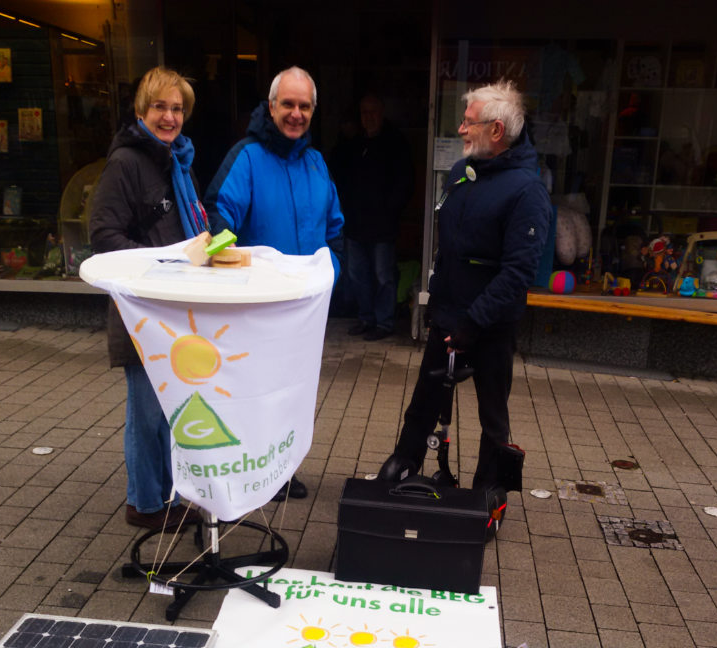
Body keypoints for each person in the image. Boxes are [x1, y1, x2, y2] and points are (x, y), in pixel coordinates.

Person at [379, 79, 551, 492]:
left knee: (492, 413)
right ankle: (405, 460)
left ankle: (489, 490)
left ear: (496, 130)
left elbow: (517, 273)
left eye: (468, 122)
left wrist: (474, 322)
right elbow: (450, 246)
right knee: (424, 401)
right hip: (448, 315)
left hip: (489, 325)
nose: (460, 129)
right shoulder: (462, 173)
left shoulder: (527, 191)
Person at [204, 66, 344, 501]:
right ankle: (251, 471)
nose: (296, 114)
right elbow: (217, 218)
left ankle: (282, 470)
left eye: (304, 106)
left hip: (302, 309)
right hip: (258, 306)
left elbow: (334, 229)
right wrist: (234, 273)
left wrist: (331, 273)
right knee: (256, 392)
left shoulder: (316, 162)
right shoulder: (247, 157)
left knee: (293, 393)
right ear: (271, 106)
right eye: (288, 104)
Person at [91, 66, 208, 531]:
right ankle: (144, 503)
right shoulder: (126, 163)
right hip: (140, 309)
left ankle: (167, 495)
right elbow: (103, 233)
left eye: (177, 108)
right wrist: (163, 261)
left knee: (170, 411)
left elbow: (186, 223)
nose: (169, 116)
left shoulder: (177, 159)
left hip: (174, 310)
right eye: (160, 106)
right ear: (142, 110)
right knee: (147, 413)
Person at [331, 93, 412, 341]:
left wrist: (390, 210)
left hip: (383, 225)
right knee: (357, 275)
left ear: (382, 112)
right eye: (364, 113)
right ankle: (366, 318)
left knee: (383, 276)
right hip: (355, 224)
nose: (369, 117)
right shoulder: (353, 144)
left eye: (373, 112)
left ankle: (384, 323)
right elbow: (338, 173)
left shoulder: (395, 142)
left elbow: (405, 182)